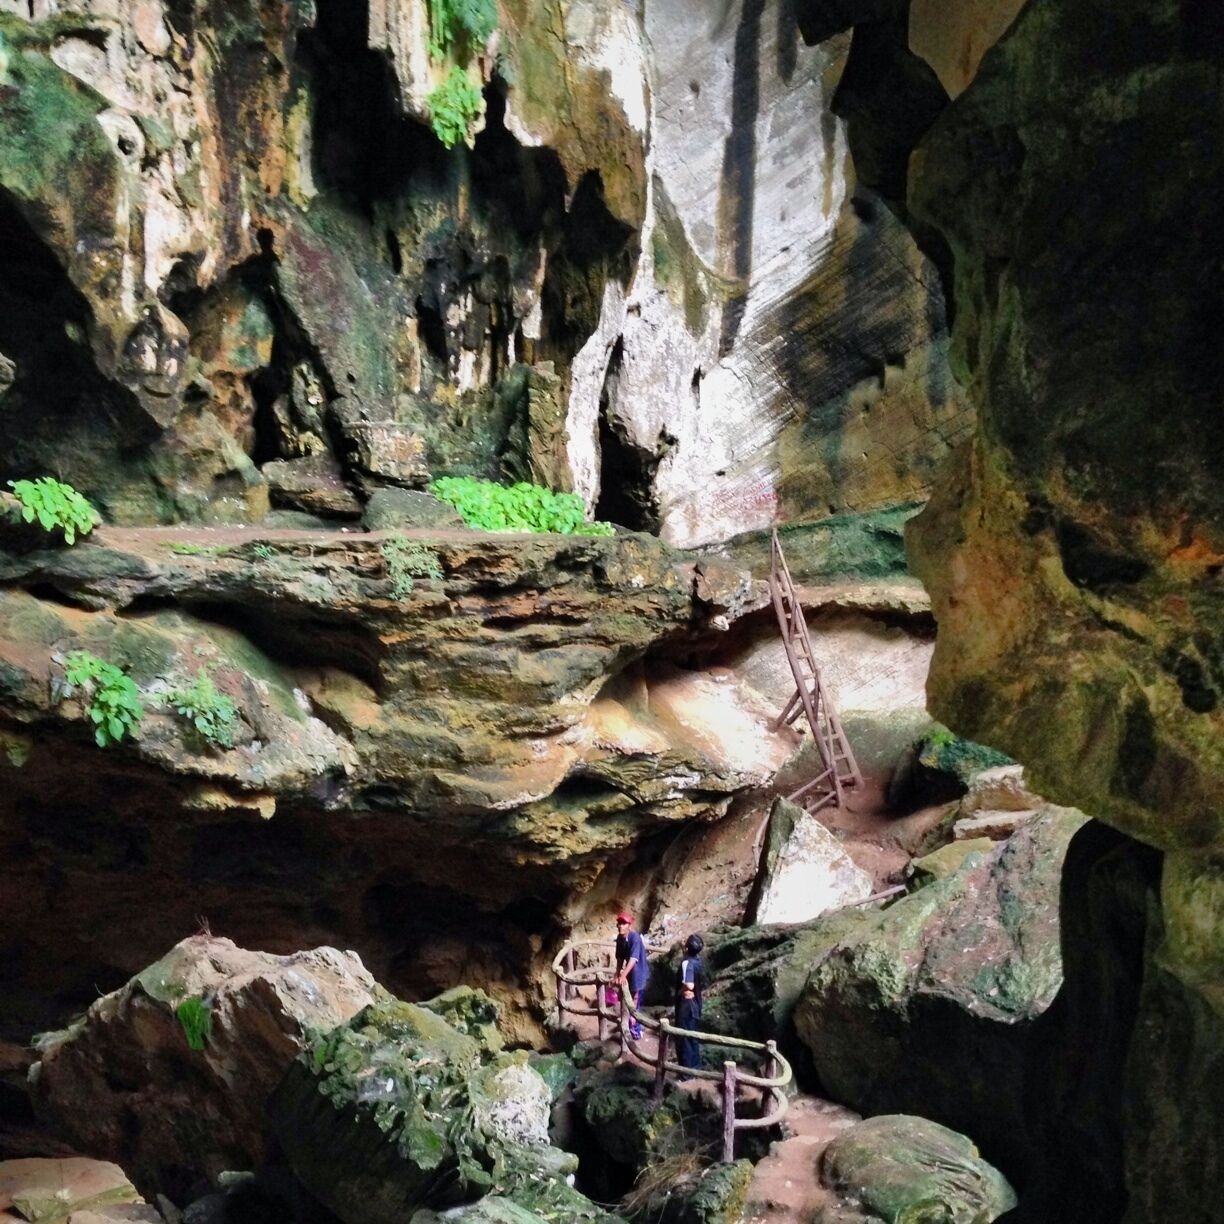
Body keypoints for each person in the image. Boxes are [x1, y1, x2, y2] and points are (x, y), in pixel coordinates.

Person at [614, 912, 650, 1041]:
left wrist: (623, 975)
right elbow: (619, 958)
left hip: (638, 972)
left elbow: (633, 959)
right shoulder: (620, 938)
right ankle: (627, 1024)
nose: (620, 926)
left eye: (623, 924)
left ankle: (635, 1029)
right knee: (625, 996)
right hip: (630, 973)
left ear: (629, 925)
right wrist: (617, 974)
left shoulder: (635, 938)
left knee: (635, 1000)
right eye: (619, 923)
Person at [674, 933, 704, 1070]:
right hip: (696, 1003)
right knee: (692, 1036)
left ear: (687, 948)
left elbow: (689, 984)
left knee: (683, 1037)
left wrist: (680, 991)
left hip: (687, 1004)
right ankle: (695, 1067)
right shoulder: (698, 960)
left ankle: (685, 1072)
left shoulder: (687, 963)